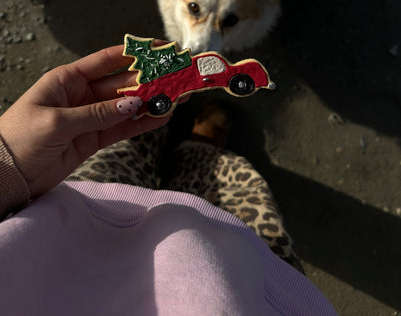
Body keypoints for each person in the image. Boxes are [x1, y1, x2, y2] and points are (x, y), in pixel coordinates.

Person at [0, 44, 337, 315]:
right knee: (228, 191)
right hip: (235, 271)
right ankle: (200, 149)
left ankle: (155, 134)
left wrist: (7, 168)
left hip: (73, 217)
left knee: (116, 147)